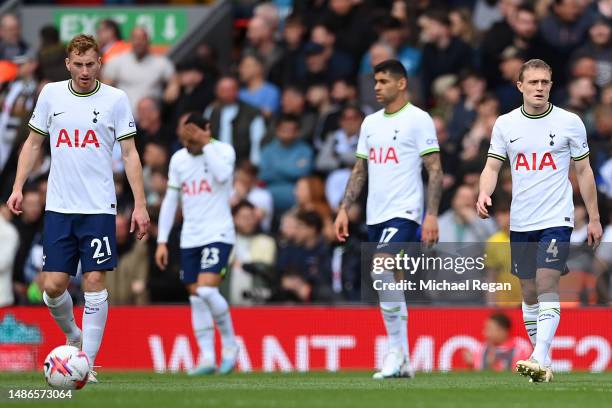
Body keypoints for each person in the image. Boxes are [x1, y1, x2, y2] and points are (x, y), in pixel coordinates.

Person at [6, 34, 150, 383]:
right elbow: (33, 143)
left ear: (99, 63)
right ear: (68, 64)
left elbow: (130, 154)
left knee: (95, 280)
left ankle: (88, 362)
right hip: (59, 207)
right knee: (53, 286)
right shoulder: (51, 94)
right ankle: (73, 335)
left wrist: (140, 205)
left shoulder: (115, 99)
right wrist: (18, 186)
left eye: (91, 64)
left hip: (99, 206)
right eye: (79, 64)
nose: (85, 71)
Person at [477, 59, 602, 383]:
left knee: (547, 282)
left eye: (545, 82)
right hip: (521, 221)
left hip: (556, 218)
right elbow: (492, 167)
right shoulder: (505, 124)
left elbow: (584, 171)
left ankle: (539, 355)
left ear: (551, 84)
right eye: (532, 82)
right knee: (529, 293)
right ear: (520, 86)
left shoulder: (569, 122)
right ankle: (541, 361)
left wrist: (594, 217)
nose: (539, 88)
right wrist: (483, 194)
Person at [334, 59, 443, 379]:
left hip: (405, 212)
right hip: (375, 215)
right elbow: (360, 170)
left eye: (383, 81)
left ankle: (395, 352)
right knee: (389, 280)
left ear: (401, 83)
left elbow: (434, 169)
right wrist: (343, 208)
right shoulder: (370, 123)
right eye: (375, 82)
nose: (377, 87)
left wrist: (431, 215)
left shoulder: (418, 119)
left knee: (381, 272)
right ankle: (403, 360)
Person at [155, 113, 239, 375]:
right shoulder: (178, 159)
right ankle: (206, 357)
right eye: (184, 138)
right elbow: (171, 201)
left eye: (192, 137)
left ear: (206, 130)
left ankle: (230, 346)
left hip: (219, 232)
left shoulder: (223, 151)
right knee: (196, 299)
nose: (187, 143)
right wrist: (162, 240)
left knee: (206, 291)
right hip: (190, 237)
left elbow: (224, 176)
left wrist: (204, 144)